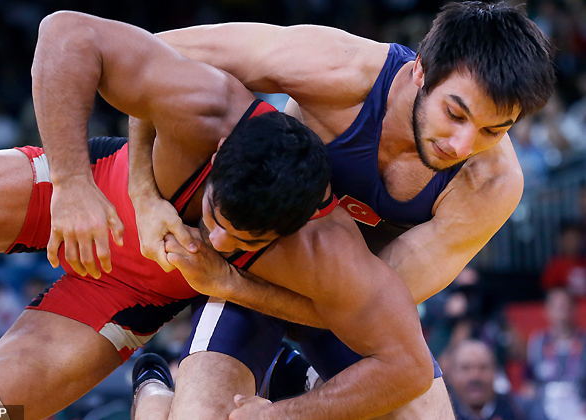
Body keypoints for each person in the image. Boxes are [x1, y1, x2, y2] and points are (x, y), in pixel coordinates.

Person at [0, 11, 433, 420]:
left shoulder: (322, 245)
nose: (219, 242)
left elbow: (407, 368)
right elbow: (67, 32)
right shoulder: (208, 108)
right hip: (95, 183)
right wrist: (75, 185)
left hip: (128, 294)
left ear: (298, 224)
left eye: (246, 242)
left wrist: (232, 286)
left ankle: (155, 393)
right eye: (216, 216)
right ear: (222, 149)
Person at [124, 2, 555, 419]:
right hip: (262, 264)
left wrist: (230, 286)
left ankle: (288, 380)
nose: (462, 146)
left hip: (338, 301)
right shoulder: (340, 68)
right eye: (454, 113)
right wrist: (144, 193)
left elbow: (374, 310)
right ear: (421, 69)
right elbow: (151, 54)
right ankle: (157, 391)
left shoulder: (490, 183)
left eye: (492, 131)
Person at [525, 288, 586, 420]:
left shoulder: (584, 342)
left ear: (574, 309)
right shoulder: (537, 342)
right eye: (557, 307)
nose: (561, 312)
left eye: (565, 306)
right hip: (543, 410)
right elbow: (529, 383)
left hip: (579, 409)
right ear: (547, 310)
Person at [446, 340, 526, 420]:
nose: (475, 376)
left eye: (483, 367)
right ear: (452, 374)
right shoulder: (440, 412)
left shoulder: (517, 410)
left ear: (494, 372)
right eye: (466, 368)